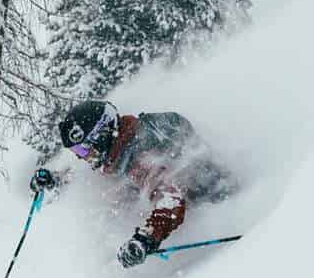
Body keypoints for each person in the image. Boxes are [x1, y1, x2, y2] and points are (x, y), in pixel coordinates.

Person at [30, 100, 235, 268]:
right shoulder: (119, 151)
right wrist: (55, 179)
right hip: (178, 198)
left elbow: (171, 201)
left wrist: (145, 239)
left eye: (83, 150)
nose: (81, 157)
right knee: (109, 194)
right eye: (77, 152)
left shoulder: (141, 157)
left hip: (216, 207)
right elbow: (84, 175)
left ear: (101, 137)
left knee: (114, 199)